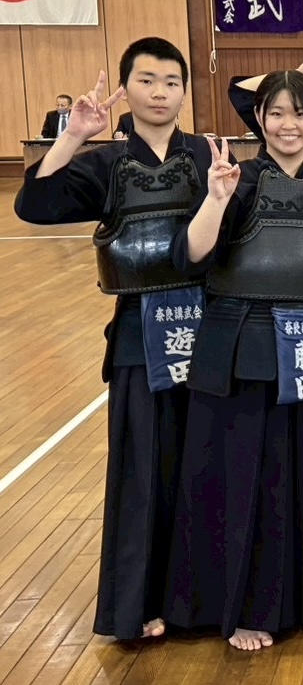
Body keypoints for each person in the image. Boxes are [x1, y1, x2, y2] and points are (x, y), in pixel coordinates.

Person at [166, 71, 303, 651]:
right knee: (240, 477)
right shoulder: (236, 180)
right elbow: (189, 256)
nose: (290, 125)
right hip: (241, 346)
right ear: (258, 119)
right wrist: (215, 200)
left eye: (301, 113)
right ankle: (240, 607)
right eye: (277, 113)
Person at [15, 39, 211, 642]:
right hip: (139, 333)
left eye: (172, 81)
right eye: (147, 80)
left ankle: (203, 598)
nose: (160, 92)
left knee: (207, 462)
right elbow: (35, 204)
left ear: (184, 92)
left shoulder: (207, 155)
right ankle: (140, 603)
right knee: (143, 467)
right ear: (126, 89)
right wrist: (74, 136)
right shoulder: (107, 163)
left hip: (209, 328)